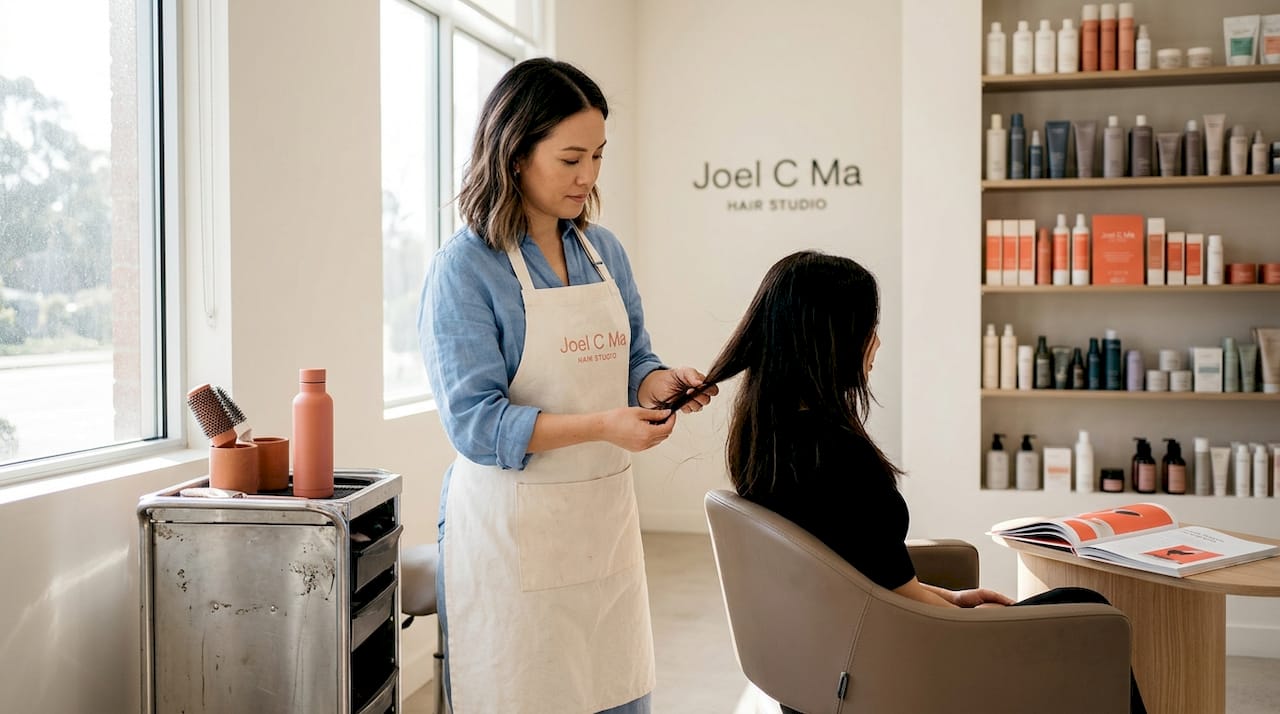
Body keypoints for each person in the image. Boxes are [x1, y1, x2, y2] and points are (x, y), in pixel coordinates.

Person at [680, 250, 1146, 714]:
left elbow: (866, 577)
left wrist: (953, 598)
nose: (876, 343)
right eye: (868, 328)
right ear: (832, 338)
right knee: (1092, 614)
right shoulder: (836, 456)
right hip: (890, 669)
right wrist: (969, 619)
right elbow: (890, 595)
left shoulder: (765, 441)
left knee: (1075, 606)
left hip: (834, 663)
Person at [418, 58, 716, 714]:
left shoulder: (601, 249)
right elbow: (476, 424)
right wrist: (605, 426)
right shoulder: (465, 269)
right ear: (514, 155)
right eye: (571, 158)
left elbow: (635, 359)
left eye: (599, 157)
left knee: (615, 693)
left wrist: (663, 384)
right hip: (509, 538)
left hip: (601, 526)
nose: (589, 177)